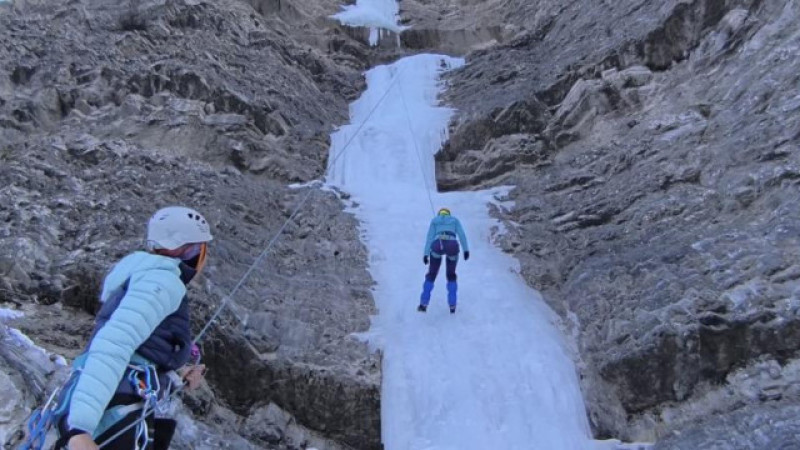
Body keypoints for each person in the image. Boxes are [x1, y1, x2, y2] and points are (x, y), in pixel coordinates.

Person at [57, 206, 213, 450]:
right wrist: (79, 429)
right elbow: (114, 344)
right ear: (190, 250)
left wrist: (177, 373)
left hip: (120, 404)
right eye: (202, 248)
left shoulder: (145, 275)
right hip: (114, 413)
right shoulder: (161, 281)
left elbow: (139, 349)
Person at [418, 207, 469, 314]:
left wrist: (426, 254)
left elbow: (429, 238)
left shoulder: (435, 221)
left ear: (439, 213)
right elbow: (462, 235)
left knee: (431, 274)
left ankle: (423, 304)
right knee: (451, 275)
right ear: (448, 214)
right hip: (452, 245)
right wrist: (466, 250)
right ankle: (452, 306)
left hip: (437, 244)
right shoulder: (454, 220)